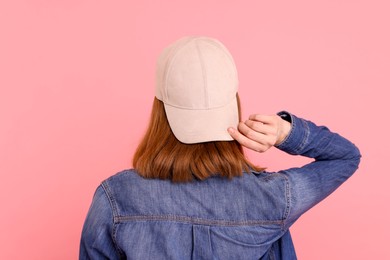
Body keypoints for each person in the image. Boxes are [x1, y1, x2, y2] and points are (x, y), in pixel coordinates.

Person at [79, 36, 361, 259]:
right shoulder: (273, 198)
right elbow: (346, 156)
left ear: (160, 111)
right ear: (233, 104)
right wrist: (285, 131)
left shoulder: (115, 199)